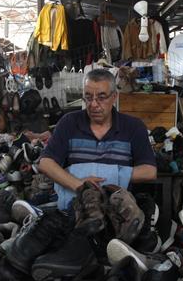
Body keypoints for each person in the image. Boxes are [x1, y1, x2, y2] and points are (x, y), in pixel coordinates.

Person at [39, 68, 157, 209]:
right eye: (88, 97)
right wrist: (80, 186)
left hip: (115, 209)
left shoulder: (133, 127)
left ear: (114, 97)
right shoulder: (69, 123)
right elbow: (45, 163)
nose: (94, 104)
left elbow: (149, 171)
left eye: (101, 97)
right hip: (75, 208)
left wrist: (108, 176)